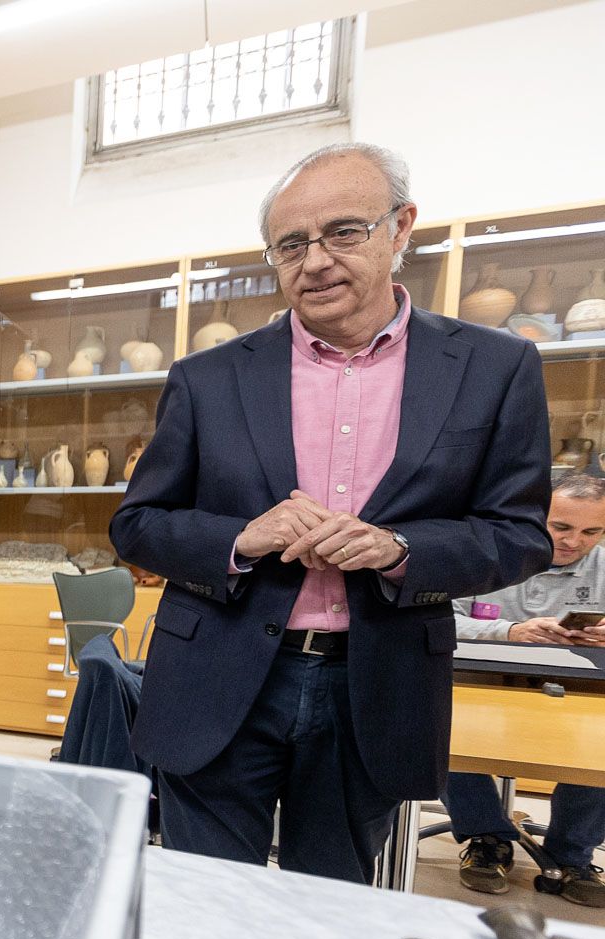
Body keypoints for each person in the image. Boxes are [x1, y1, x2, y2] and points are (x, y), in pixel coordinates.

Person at [111, 142, 552, 882]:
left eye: (343, 231)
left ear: (400, 227)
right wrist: (240, 539)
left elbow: (519, 535)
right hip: (216, 678)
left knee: (333, 904)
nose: (314, 261)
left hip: (374, 684)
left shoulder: (495, 369)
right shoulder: (207, 377)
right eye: (290, 244)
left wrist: (400, 548)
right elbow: (138, 523)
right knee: (209, 904)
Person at [450, 473, 605, 903]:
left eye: (592, 531)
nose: (575, 541)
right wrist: (511, 630)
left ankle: (572, 855)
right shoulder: (486, 556)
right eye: (562, 527)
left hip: (577, 687)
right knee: (435, 728)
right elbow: (440, 618)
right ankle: (486, 839)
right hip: (480, 678)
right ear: (536, 516)